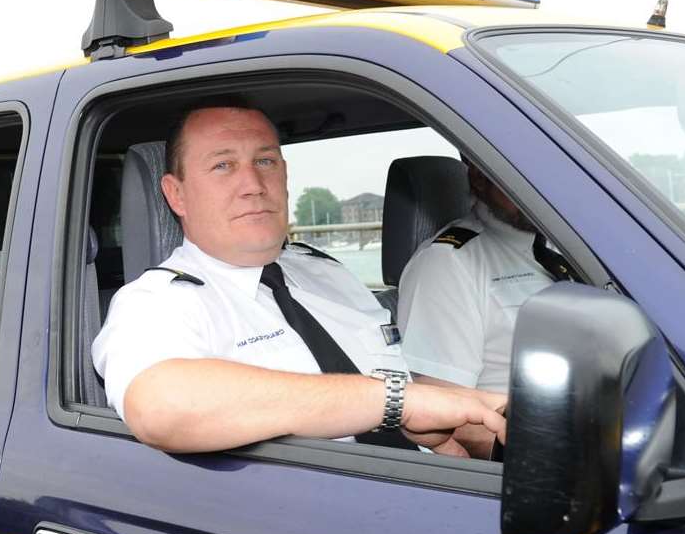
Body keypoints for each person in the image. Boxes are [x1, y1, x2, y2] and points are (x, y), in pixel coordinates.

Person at [91, 102, 506, 455]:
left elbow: (408, 398)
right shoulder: (157, 303)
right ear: (176, 194)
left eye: (265, 161)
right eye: (223, 165)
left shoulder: (328, 274)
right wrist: (397, 402)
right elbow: (163, 405)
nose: (253, 185)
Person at [397, 163, 566, 456]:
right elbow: (439, 414)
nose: (537, 184)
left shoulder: (574, 247)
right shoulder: (448, 264)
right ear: (479, 178)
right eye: (520, 171)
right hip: (538, 464)